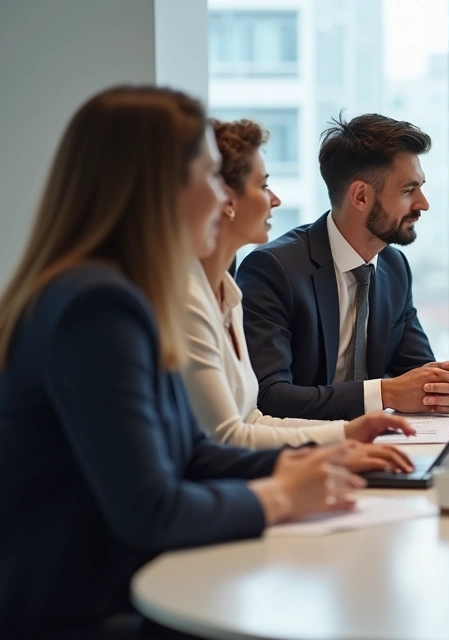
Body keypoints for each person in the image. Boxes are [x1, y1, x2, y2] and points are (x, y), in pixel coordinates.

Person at [0, 86, 374, 638]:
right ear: (155, 187)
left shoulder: (120, 291)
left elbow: (191, 452)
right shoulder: (96, 307)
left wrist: (293, 466)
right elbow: (152, 510)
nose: (219, 191)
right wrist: (278, 496)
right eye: (208, 173)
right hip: (82, 612)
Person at [182, 118, 415, 472]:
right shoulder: (246, 276)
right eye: (263, 185)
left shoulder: (226, 293)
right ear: (225, 199)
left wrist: (349, 434)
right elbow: (234, 432)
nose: (275, 199)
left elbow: (252, 421)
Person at [237, 113, 449, 421]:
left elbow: (418, 374)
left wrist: (439, 387)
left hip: (381, 447)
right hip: (306, 454)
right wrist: (385, 394)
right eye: (409, 190)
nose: (423, 203)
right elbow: (268, 396)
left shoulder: (394, 266)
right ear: (361, 196)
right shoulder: (273, 269)